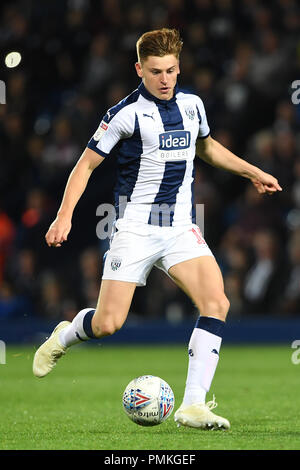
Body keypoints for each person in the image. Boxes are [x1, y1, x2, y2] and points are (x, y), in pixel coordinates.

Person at [33, 28, 282, 430]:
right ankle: (64, 336)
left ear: (178, 68)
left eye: (170, 70)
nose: (164, 79)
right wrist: (65, 216)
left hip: (180, 225)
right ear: (139, 70)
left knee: (216, 303)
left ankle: (193, 406)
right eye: (155, 72)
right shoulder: (124, 114)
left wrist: (253, 172)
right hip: (133, 229)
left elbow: (207, 147)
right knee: (108, 324)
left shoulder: (193, 105)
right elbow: (86, 165)